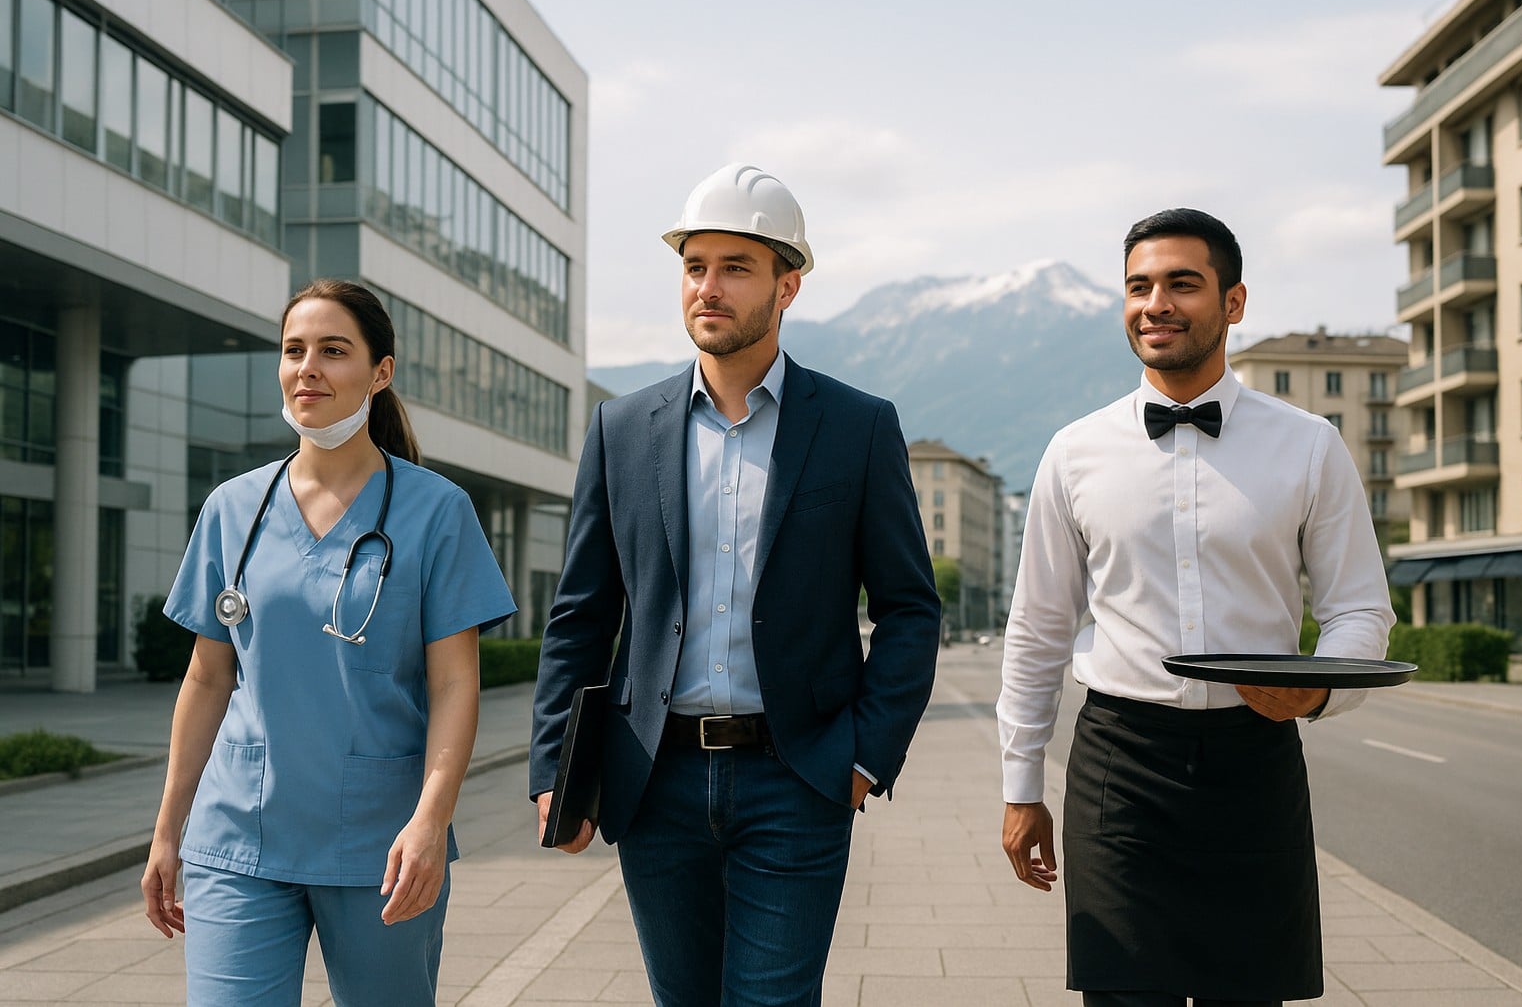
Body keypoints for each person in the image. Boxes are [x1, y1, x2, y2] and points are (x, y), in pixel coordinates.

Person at [530, 162, 941, 1006]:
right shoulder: (621, 428)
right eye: (694, 266)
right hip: (656, 780)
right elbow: (580, 613)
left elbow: (909, 608)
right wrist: (551, 768)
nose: (707, 287)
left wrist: (863, 755)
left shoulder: (858, 428)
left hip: (797, 777)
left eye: (735, 268)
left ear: (788, 285)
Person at [997, 209, 1393, 1007]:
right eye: (1139, 287)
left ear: (1234, 302)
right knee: (1121, 996)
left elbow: (1361, 610)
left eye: (1183, 283)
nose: (1157, 304)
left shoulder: (1310, 445)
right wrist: (1019, 783)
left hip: (1256, 759)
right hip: (1120, 761)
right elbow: (1040, 626)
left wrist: (1318, 690)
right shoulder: (1074, 452)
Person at [141, 279, 515, 1006]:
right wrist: (166, 833)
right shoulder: (233, 508)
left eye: (333, 351)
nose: (306, 367)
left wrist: (431, 821)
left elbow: (453, 685)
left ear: (381, 371)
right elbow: (208, 678)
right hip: (238, 834)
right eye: (293, 350)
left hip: (381, 843)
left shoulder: (437, 511)